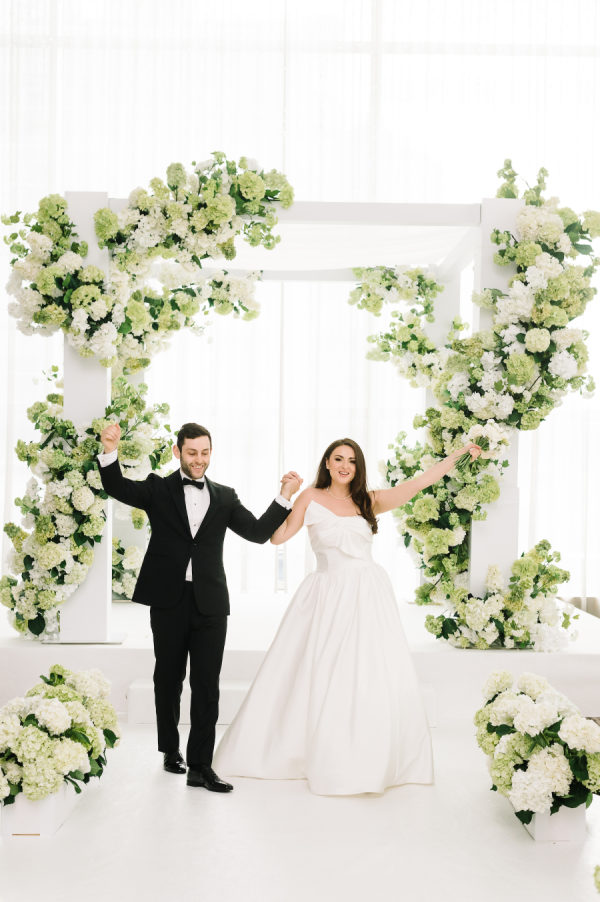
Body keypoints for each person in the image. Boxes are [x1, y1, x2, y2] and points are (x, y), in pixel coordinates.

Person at [213, 437, 481, 795]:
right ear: (326, 462)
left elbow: (418, 484)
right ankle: (305, 751)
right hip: (326, 593)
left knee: (368, 672)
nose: (344, 466)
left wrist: (459, 455)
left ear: (357, 467)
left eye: (351, 461)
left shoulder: (368, 500)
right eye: (338, 459)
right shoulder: (309, 497)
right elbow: (277, 538)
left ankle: (368, 758)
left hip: (367, 593)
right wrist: (285, 494)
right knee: (319, 669)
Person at [98, 421, 301, 793]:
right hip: (168, 600)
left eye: (205, 453)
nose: (199, 460)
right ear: (178, 452)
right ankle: (170, 749)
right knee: (168, 679)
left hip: (210, 603)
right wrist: (109, 449)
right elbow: (116, 486)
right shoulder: (159, 489)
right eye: (192, 452)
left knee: (207, 685)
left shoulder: (224, 496)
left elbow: (257, 533)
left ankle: (201, 766)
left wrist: (284, 496)